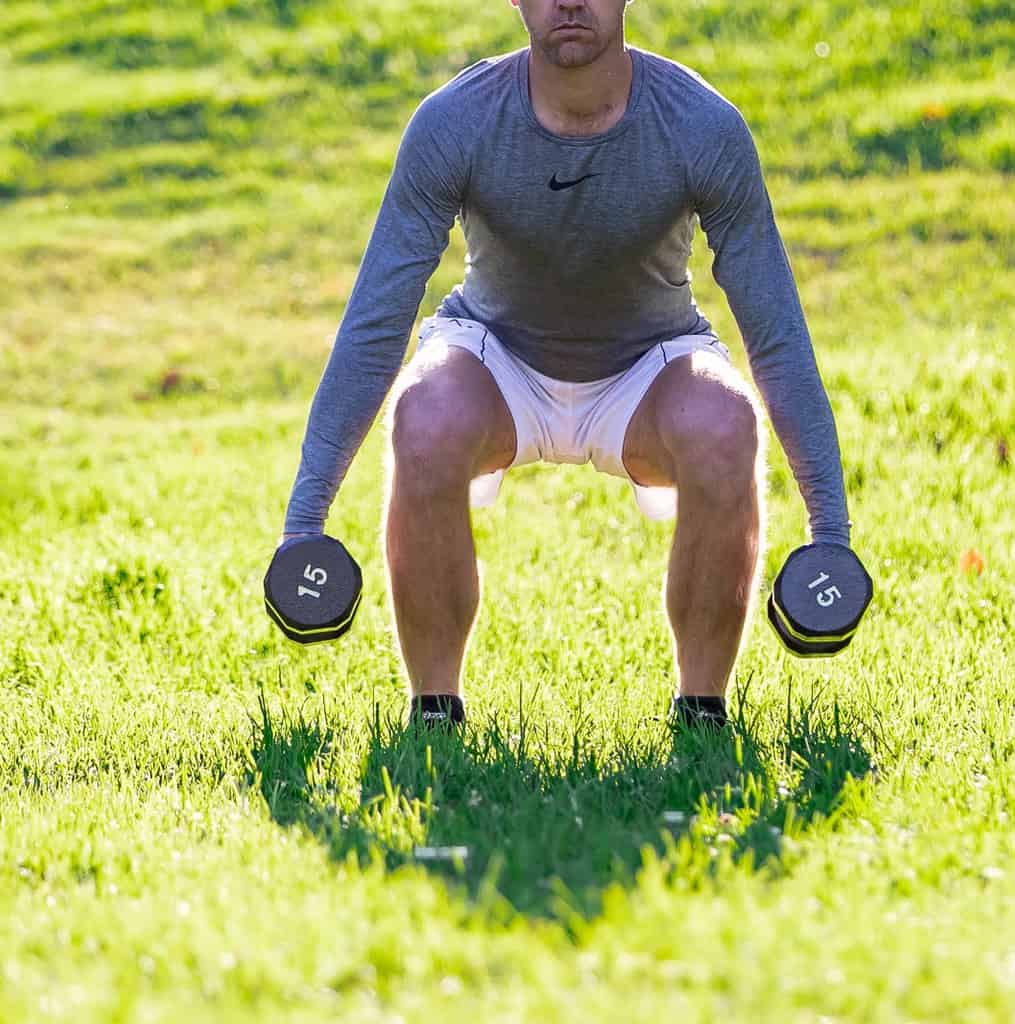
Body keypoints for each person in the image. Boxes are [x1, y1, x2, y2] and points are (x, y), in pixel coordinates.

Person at [280, 0, 852, 730]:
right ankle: (433, 712)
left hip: (648, 362)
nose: (571, 2)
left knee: (725, 420)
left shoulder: (701, 126)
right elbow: (375, 323)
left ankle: (702, 710)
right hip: (497, 355)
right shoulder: (456, 122)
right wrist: (304, 525)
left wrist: (829, 535)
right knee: (424, 415)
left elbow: (775, 333)